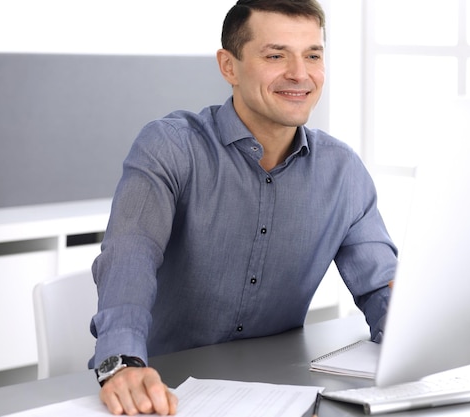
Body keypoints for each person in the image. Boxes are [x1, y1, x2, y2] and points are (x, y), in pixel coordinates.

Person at [91, 0, 398, 414]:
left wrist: (414, 334)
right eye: (276, 55)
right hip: (163, 391)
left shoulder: (341, 171)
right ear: (229, 66)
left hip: (279, 395)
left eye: (313, 55)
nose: (300, 74)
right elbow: (131, 254)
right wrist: (121, 362)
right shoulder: (171, 146)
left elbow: (380, 284)